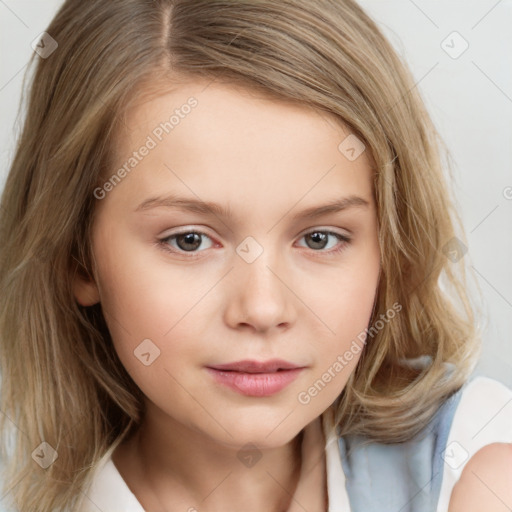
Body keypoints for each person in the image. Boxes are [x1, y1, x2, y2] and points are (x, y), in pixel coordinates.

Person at [0, 0, 510, 511]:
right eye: (190, 240)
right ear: (77, 256)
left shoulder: (473, 471)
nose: (263, 309)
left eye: (319, 238)